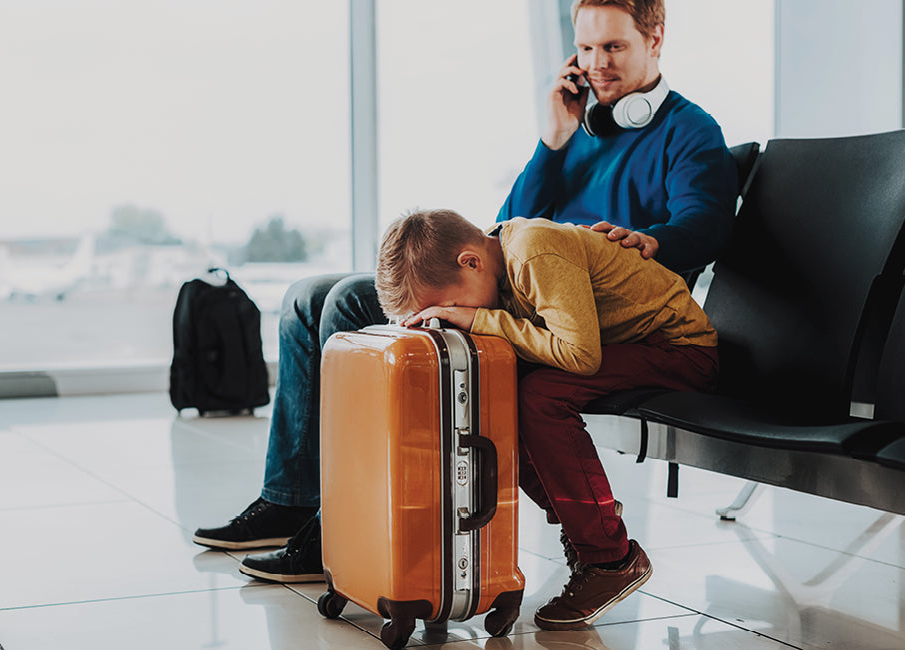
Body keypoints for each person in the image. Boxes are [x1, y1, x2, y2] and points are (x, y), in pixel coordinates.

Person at [192, 0, 736, 586]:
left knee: (348, 302)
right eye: (584, 49)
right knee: (308, 298)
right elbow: (504, 229)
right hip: (516, 290)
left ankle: (337, 522)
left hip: (591, 312)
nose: (595, 64)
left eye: (613, 47)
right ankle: (293, 499)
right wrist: (552, 145)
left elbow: (704, 228)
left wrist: (649, 240)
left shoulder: (690, 131)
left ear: (656, 39)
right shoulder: (577, 130)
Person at [375, 207, 719, 629]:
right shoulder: (495, 262)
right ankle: (586, 520)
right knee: (494, 397)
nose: (453, 315)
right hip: (628, 344)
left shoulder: (534, 252)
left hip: (680, 348)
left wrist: (481, 319)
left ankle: (611, 559)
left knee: (540, 397)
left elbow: (580, 355)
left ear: (471, 262)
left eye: (450, 306)